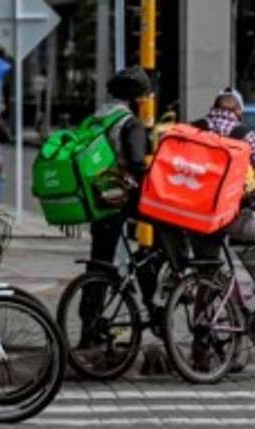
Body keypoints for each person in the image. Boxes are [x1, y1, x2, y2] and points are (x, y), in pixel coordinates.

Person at [193, 87, 255, 321]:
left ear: (213, 108)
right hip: (225, 214)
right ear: (238, 111)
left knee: (208, 273)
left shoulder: (193, 129)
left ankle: (200, 335)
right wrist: (252, 198)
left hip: (193, 215)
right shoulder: (244, 134)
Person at [78, 67, 155, 342]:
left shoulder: (97, 118)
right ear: (134, 97)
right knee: (166, 231)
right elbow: (136, 162)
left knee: (98, 264)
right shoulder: (128, 122)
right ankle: (150, 291)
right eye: (143, 96)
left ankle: (89, 328)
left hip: (98, 198)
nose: (145, 101)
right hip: (121, 196)